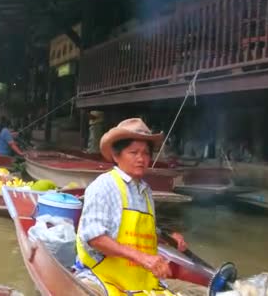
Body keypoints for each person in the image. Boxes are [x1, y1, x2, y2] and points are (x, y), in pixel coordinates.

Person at [75, 118, 206, 295]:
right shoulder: (103, 186)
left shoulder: (145, 191)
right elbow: (95, 238)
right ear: (116, 155)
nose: (141, 159)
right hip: (102, 278)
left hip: (141, 281)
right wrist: (143, 258)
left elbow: (141, 233)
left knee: (206, 292)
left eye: (145, 153)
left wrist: (169, 238)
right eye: (133, 152)